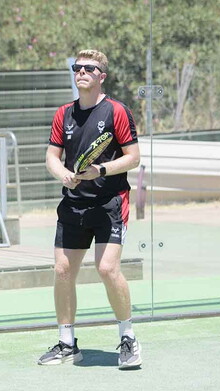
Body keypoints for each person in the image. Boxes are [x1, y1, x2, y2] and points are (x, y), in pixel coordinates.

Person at [38, 49, 143, 369]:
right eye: (77, 67)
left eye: (89, 68)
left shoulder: (117, 112)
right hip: (73, 205)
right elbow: (52, 157)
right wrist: (63, 176)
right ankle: (67, 343)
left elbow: (133, 157)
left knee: (107, 268)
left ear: (101, 77)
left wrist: (102, 171)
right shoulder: (63, 114)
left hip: (110, 203)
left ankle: (128, 338)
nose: (81, 71)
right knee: (62, 270)